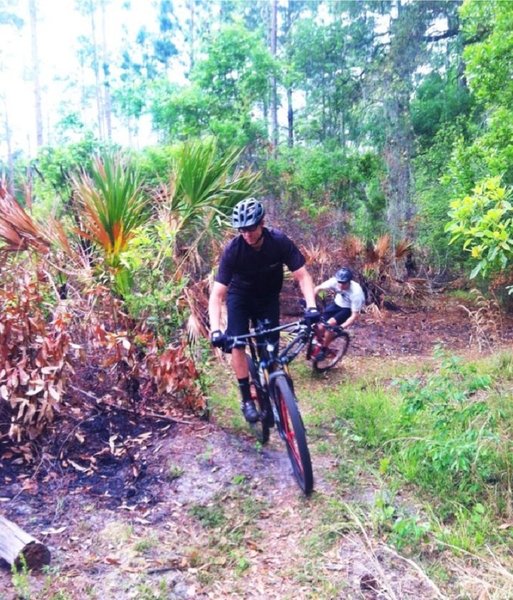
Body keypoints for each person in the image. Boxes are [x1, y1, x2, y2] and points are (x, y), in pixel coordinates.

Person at [208, 197, 320, 423]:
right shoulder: (234, 250)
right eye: (242, 230)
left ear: (261, 223)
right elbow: (217, 295)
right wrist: (215, 330)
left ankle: (275, 392)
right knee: (237, 342)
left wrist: (311, 306)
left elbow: (303, 276)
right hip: (240, 298)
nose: (247, 234)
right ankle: (246, 399)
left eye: (251, 228)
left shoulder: (278, 242)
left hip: (268, 298)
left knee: (270, 353)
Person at [313, 267, 365, 359]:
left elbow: (354, 316)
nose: (340, 286)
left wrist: (341, 327)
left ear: (349, 281)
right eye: (339, 282)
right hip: (336, 304)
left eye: (344, 283)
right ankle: (321, 341)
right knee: (320, 326)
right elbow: (317, 289)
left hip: (347, 309)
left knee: (330, 325)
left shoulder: (356, 293)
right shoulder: (335, 281)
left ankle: (324, 350)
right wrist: (311, 306)